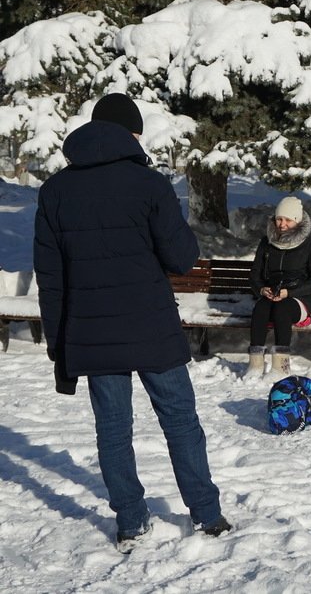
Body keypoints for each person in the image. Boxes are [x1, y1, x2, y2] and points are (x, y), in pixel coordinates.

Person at [33, 93, 230, 553]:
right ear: (131, 134)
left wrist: (59, 343)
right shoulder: (149, 183)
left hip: (92, 332)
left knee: (113, 430)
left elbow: (50, 276)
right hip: (151, 325)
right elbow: (182, 258)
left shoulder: (55, 190)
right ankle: (207, 515)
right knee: (180, 421)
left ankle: (131, 523)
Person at [247, 196, 311, 378]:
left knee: (282, 308)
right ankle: (255, 364)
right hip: (273, 294)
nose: (282, 224)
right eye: (279, 219)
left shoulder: (309, 243)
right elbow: (255, 274)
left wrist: (290, 292)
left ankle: (281, 366)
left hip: (300, 297)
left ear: (297, 221)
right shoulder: (267, 242)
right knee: (260, 308)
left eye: (288, 220)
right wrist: (261, 289)